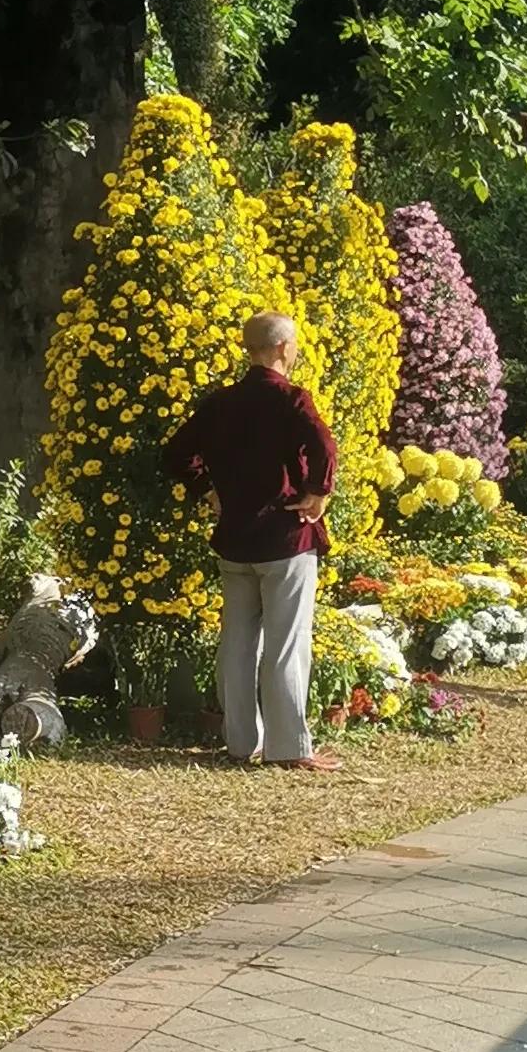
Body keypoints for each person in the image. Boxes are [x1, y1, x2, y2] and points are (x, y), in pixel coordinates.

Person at [162, 312, 340, 770]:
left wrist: (209, 491)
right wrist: (318, 493)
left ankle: (241, 744)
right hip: (284, 537)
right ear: (283, 348)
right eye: (294, 344)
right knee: (285, 646)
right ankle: (290, 749)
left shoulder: (221, 402)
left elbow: (176, 453)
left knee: (237, 645)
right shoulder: (292, 399)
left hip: (235, 540)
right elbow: (324, 444)